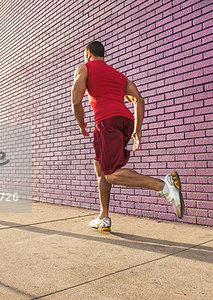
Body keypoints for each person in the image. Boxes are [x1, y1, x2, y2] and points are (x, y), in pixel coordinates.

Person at [71, 41, 184, 231]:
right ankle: (103, 217)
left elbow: (76, 100)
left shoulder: (85, 68)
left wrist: (81, 124)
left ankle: (163, 186)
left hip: (106, 122)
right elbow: (138, 99)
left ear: (89, 54)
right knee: (100, 166)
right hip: (125, 121)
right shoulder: (118, 76)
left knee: (111, 174)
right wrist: (137, 130)